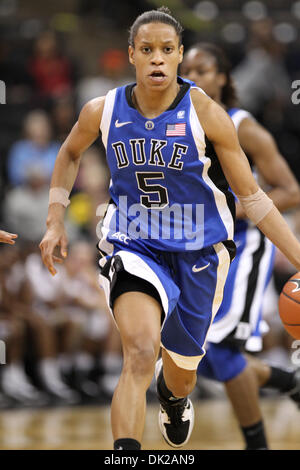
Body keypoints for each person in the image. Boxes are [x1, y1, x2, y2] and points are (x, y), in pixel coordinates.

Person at [39, 7, 300, 451]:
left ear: (179, 55)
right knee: (139, 353)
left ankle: (173, 399)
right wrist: (54, 219)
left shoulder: (207, 113)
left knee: (182, 374)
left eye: (165, 50)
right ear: (132, 56)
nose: (156, 59)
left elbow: (254, 199)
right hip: (133, 244)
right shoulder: (102, 110)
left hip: (200, 252)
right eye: (146, 50)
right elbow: (68, 154)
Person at [181, 42, 300, 449]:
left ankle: (258, 445)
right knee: (193, 352)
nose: (192, 76)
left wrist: (239, 209)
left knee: (218, 348)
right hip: (195, 248)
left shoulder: (241, 124)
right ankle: (290, 381)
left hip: (243, 247)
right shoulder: (173, 121)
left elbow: (291, 190)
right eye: (188, 70)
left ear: (223, 78)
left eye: (202, 70)